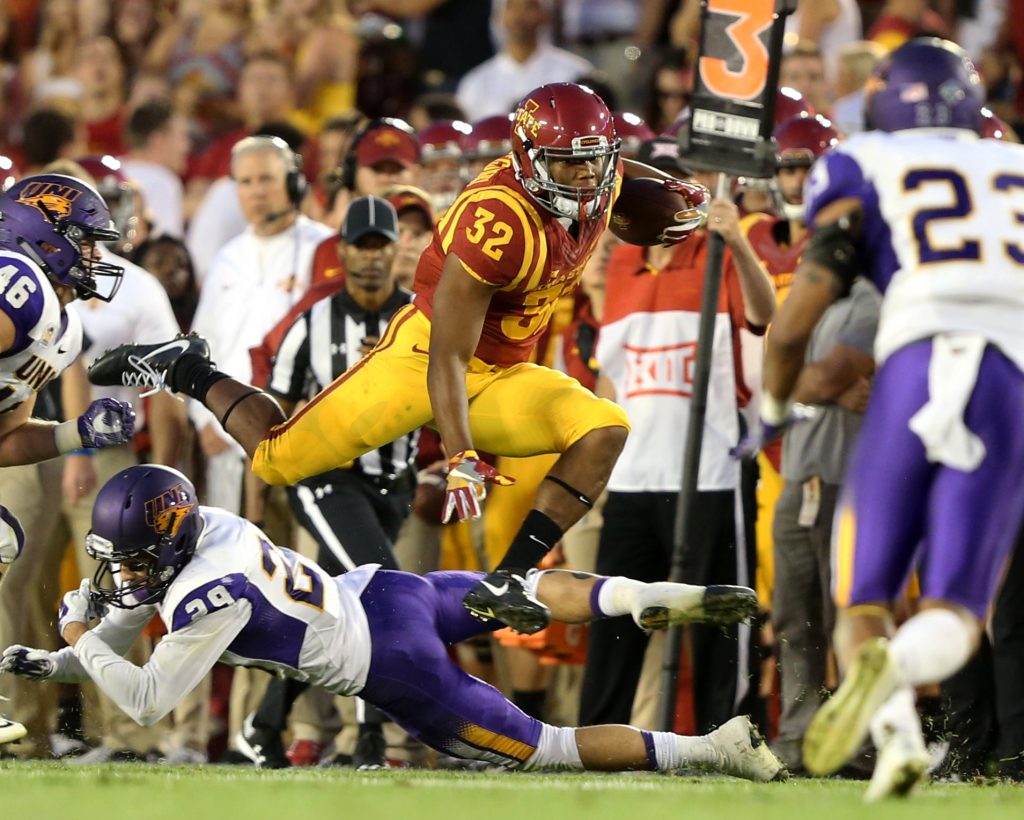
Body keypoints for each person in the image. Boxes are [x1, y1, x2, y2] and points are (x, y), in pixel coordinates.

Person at [87, 82, 700, 636]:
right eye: (568, 161)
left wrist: (670, 180)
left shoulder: (595, 178)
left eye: (595, 159)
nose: (585, 177)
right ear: (528, 160)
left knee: (603, 429)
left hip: (503, 373)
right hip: (423, 360)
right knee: (276, 460)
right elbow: (446, 360)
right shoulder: (499, 221)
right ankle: (187, 367)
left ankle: (509, 579)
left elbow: (620, 172)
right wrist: (461, 456)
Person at [0, 463, 781, 781]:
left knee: (549, 751)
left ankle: (716, 747)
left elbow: (141, 699)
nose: (126, 575)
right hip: (383, 591)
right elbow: (123, 637)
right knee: (523, 587)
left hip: (388, 667)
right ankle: (642, 590)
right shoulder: (206, 526)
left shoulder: (205, 593)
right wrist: (55, 657)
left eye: (134, 560)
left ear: (163, 544)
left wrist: (76, 636)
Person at [754, 38, 1024, 800]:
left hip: (913, 363)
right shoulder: (1016, 165)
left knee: (862, 596)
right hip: (1008, 379)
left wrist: (774, 404)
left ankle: (893, 715)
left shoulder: (862, 160)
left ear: (881, 98)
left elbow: (795, 319)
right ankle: (902, 719)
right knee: (960, 612)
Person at [240, 197, 417, 770]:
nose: (371, 257)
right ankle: (368, 740)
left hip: (395, 481)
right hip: (326, 480)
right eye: (360, 245)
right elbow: (275, 414)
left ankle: (266, 720)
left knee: (332, 608)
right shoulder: (312, 321)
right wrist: (258, 492)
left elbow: (450, 396)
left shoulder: (420, 320)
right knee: (380, 590)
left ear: (397, 249)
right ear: (340, 253)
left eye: (380, 244)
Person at [0, 174, 137, 745]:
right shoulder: (18, 282)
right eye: (84, 241)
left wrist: (73, 432)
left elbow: (4, 438)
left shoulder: (61, 323)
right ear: (46, 233)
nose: (95, 256)